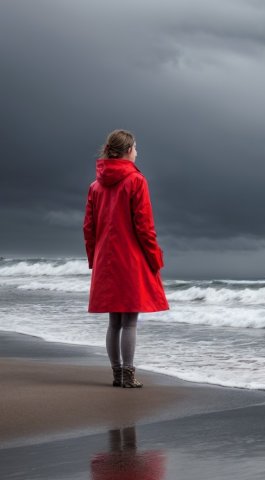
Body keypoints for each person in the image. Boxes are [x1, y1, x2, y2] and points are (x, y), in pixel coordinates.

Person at [83, 129, 169, 388]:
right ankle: (128, 376)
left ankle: (117, 374)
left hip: (106, 261)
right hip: (130, 258)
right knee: (129, 321)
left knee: (114, 321)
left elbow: (89, 227)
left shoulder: (95, 186)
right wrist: (155, 259)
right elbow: (144, 226)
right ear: (128, 150)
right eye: (136, 148)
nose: (137, 152)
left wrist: (94, 259)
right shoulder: (136, 181)